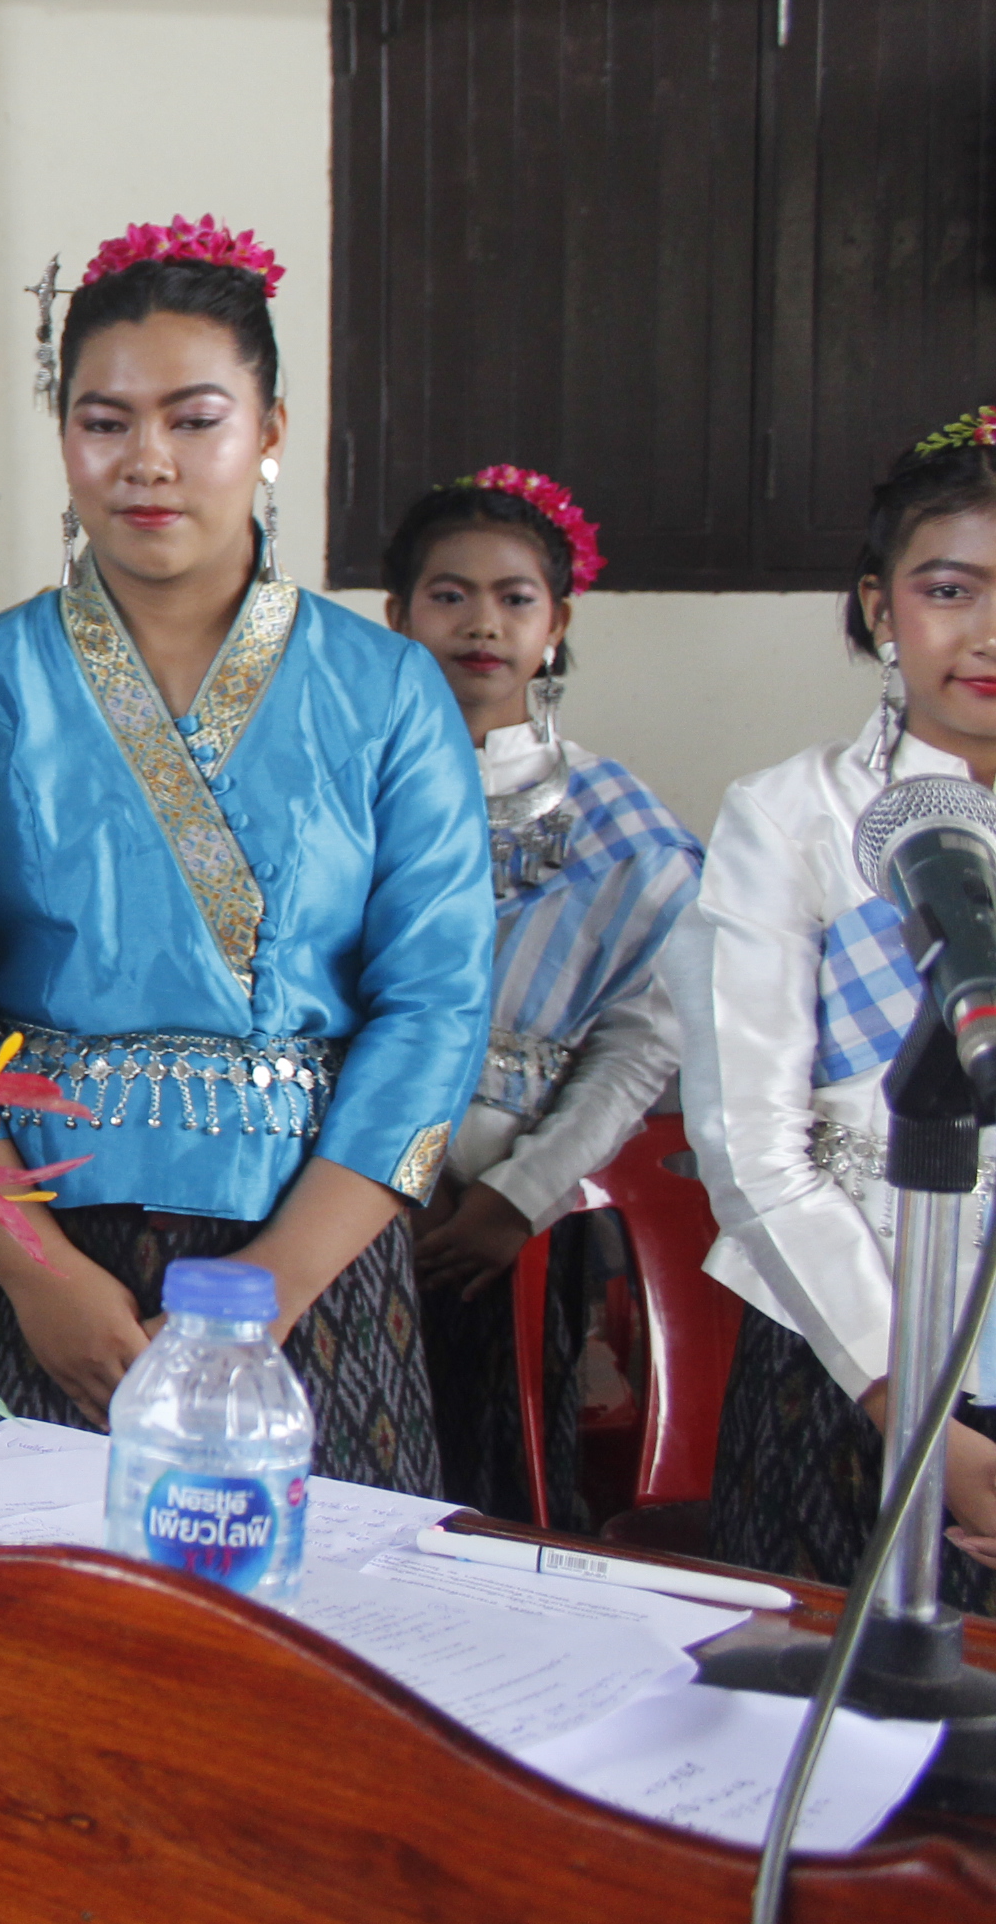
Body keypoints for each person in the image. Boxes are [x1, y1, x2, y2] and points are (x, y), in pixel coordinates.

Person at [0, 215, 490, 1492]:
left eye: (194, 418)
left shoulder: (387, 692)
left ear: (270, 433)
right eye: (105, 420)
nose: (147, 460)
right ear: (66, 440)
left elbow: (435, 1007)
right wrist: (36, 1277)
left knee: (305, 1652)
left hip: (306, 1260)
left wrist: (266, 1290)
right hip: (25, 1244)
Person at [680, 405, 996, 1601]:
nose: (986, 632)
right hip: (846, 1368)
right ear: (879, 607)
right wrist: (909, 1406)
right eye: (950, 589)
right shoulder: (791, 818)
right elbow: (748, 1144)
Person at [382, 468, 698, 1526]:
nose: (483, 622)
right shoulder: (341, 788)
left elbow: (641, 1043)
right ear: (397, 614)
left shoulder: (619, 822)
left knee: (494, 1493)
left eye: (516, 598)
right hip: (336, 1194)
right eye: (449, 593)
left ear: (557, 624)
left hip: (506, 1220)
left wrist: (516, 1199)